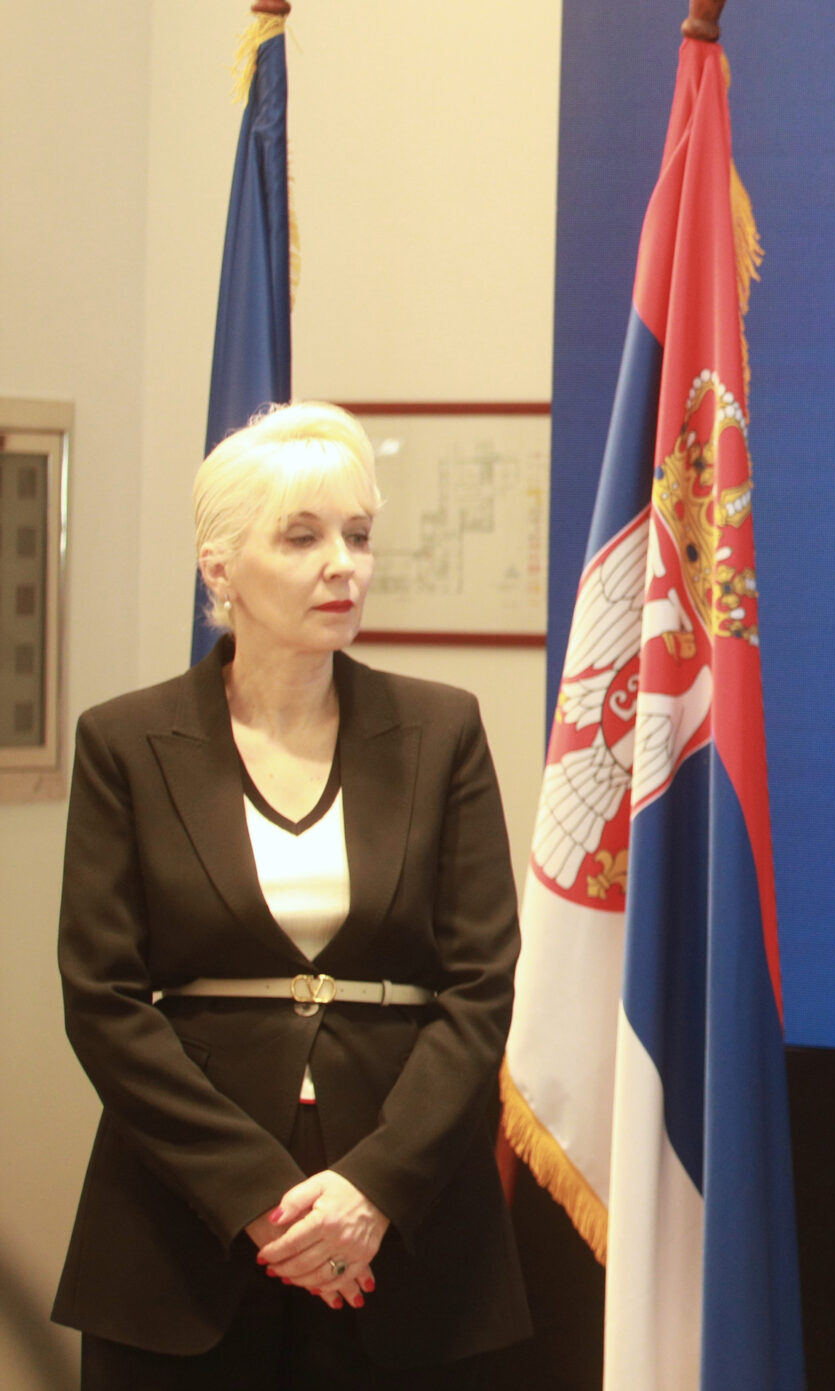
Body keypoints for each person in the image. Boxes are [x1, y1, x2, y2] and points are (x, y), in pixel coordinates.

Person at [54, 402, 529, 1387]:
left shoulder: (442, 730)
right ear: (220, 567)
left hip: (406, 1228)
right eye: (303, 537)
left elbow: (481, 987)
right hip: (181, 1233)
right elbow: (102, 1000)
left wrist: (373, 1188)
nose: (342, 565)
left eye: (358, 535)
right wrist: (259, 1197)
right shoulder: (125, 743)